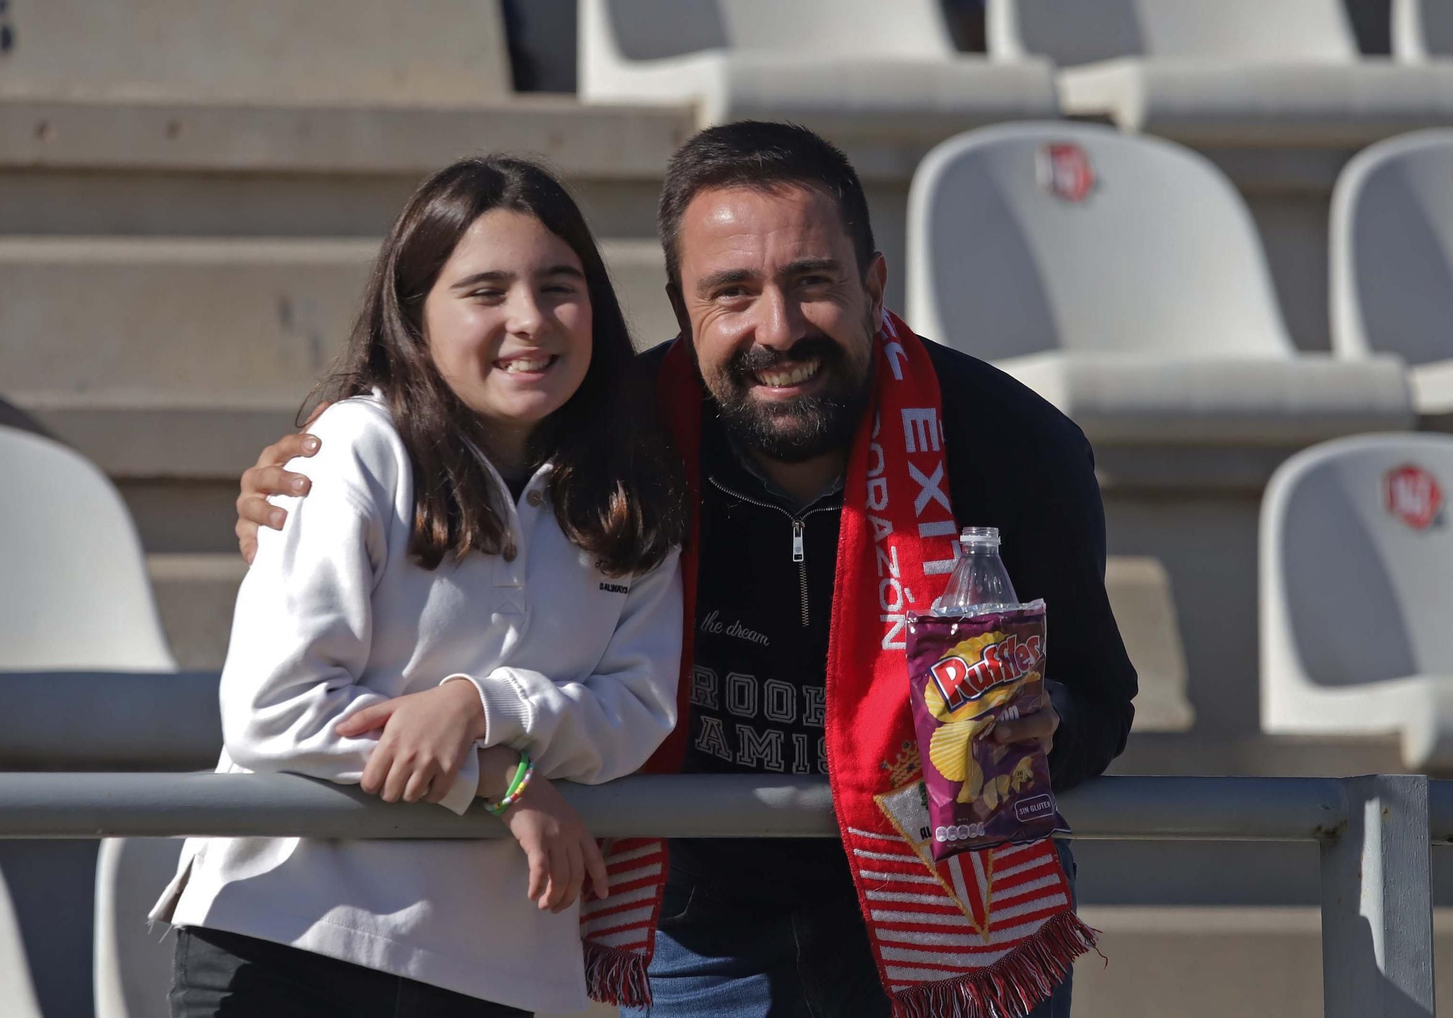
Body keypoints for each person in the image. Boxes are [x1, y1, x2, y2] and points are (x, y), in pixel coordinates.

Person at [237, 122, 1138, 1018]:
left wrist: (1045, 722)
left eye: (812, 283)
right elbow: (436, 446)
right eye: (732, 293)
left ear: (874, 283)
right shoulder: (613, 444)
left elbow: (1100, 697)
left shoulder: (1017, 444)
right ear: (680, 305)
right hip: (703, 933)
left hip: (955, 916)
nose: (776, 330)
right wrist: (297, 497)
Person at [154, 155, 688, 1018]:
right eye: (484, 292)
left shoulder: (633, 485)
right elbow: (273, 712)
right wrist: (497, 780)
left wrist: (485, 706)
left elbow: (632, 715)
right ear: (415, 317)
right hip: (288, 936)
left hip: (505, 969)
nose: (530, 320)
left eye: (560, 286)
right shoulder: (358, 448)